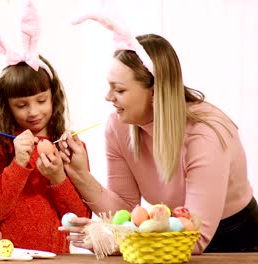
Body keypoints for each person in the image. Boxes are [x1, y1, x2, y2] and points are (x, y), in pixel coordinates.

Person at [58, 19, 258, 253]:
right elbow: (125, 211)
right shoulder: (119, 126)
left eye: (119, 89)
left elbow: (196, 238)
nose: (108, 96)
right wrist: (80, 175)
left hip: (237, 244)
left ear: (154, 92)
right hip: (170, 238)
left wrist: (114, 240)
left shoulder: (205, 135)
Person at [0, 0, 91, 254]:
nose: (34, 112)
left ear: (53, 96)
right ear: (7, 106)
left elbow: (79, 220)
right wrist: (18, 165)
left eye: (41, 100)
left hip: (55, 258)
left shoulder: (70, 147)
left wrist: (58, 177)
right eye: (21, 105)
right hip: (5, 257)